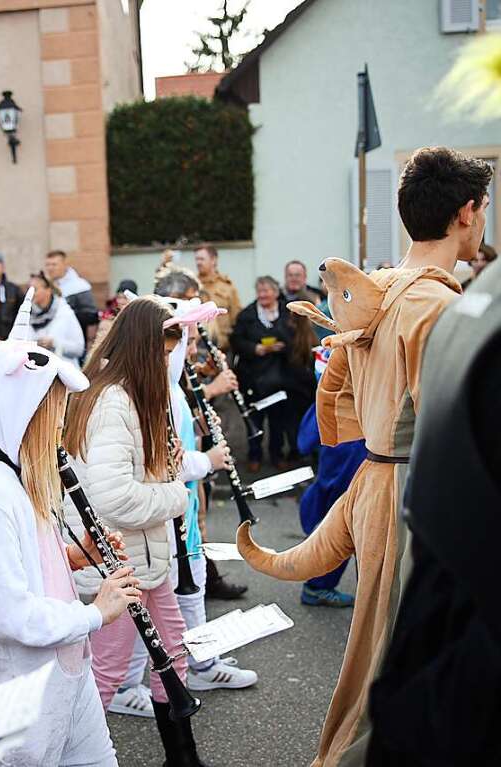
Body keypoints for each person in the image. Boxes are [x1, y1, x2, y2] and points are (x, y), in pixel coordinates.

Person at [238, 146, 486, 766]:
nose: (484, 222)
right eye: (484, 209)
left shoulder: (378, 289)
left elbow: (338, 397)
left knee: (379, 660)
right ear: (465, 212)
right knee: (399, 669)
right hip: (410, 496)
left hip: (380, 482)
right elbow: (449, 427)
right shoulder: (433, 304)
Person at [0, 291, 135, 766]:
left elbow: (22, 566)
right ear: (21, 412)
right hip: (24, 695)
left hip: (65, 670)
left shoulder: (10, 469)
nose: (59, 427)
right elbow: (7, 614)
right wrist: (96, 613)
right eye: (53, 413)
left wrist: (72, 557)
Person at [62, 295, 210, 766]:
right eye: (163, 352)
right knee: (104, 673)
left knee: (174, 653)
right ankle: (80, 758)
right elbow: (113, 497)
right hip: (116, 563)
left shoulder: (132, 395)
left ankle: (181, 758)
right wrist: (175, 496)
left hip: (148, 560)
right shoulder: (110, 402)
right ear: (143, 348)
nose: (168, 361)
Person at [367, 259, 501, 765]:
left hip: (414, 499)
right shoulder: (437, 301)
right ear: (469, 210)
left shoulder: (470, 299)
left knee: (381, 631)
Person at [155, 268, 249, 602]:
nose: (192, 347)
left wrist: (207, 370)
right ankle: (200, 581)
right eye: (189, 341)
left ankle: (203, 577)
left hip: (190, 452)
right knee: (192, 522)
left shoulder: (180, 347)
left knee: (198, 519)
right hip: (182, 465)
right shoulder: (161, 340)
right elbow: (174, 396)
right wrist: (211, 388)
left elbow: (182, 386)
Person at [295, 401, 363, 608]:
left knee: (340, 518)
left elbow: (305, 441)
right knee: (345, 521)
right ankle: (318, 586)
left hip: (345, 447)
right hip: (351, 447)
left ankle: (318, 584)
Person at [231, 276, 293, 471]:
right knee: (254, 420)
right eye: (260, 290)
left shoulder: (287, 311)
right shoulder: (246, 315)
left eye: (267, 291)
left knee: (278, 421)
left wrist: (282, 346)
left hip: (280, 377)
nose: (263, 295)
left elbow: (297, 337)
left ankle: (277, 455)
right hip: (253, 377)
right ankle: (254, 455)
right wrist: (256, 348)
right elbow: (237, 341)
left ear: (276, 292)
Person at [44, 249, 99, 350]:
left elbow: (91, 316)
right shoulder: (45, 287)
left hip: (74, 342)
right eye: (48, 264)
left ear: (65, 264)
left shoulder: (80, 286)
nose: (50, 268)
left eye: (54, 264)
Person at [283, 309, 318, 464]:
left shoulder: (290, 337)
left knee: (293, 423)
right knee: (310, 421)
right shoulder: (313, 338)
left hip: (294, 389)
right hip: (310, 389)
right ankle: (313, 451)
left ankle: (296, 451)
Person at [29, 270, 85, 367]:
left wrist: (54, 343)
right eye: (29, 289)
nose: (31, 293)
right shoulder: (27, 314)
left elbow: (79, 349)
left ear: (48, 290)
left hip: (63, 373)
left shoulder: (65, 313)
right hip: (37, 373)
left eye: (35, 289)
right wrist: (34, 344)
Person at [194, 244, 241, 350]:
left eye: (201, 259)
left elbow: (236, 318)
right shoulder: (192, 286)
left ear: (213, 260)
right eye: (196, 259)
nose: (198, 263)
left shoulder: (227, 286)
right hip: (197, 347)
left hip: (223, 347)